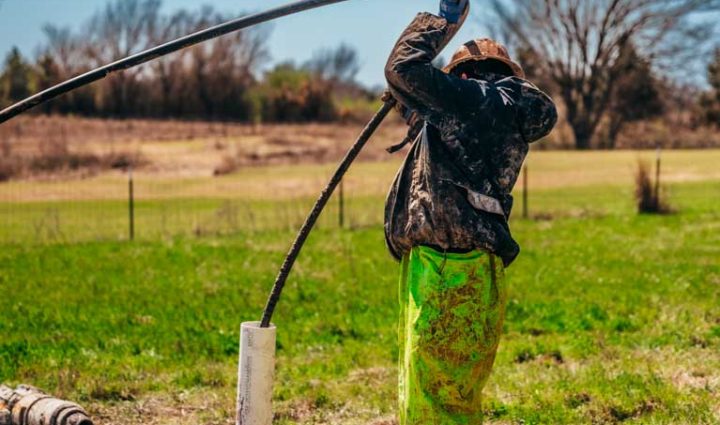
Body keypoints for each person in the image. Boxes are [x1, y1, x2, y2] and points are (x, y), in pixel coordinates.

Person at [383, 0, 558, 423]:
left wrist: (442, 22)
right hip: (473, 270)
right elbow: (454, 134)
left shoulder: (475, 103)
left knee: (436, 401)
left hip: (447, 270)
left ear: (464, 76)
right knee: (446, 392)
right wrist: (412, 103)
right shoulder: (492, 111)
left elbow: (402, 68)